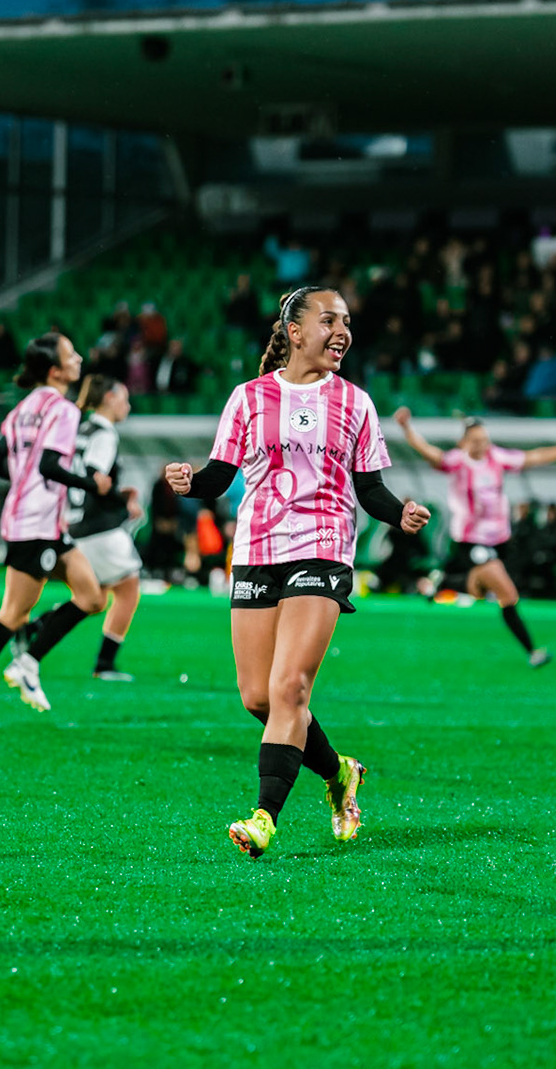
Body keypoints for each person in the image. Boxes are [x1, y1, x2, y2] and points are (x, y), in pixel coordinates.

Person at [164, 285, 430, 859]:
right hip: (257, 549)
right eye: (330, 320)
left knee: (291, 688)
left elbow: (370, 488)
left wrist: (400, 512)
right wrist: (190, 481)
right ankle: (339, 772)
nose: (343, 332)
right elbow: (220, 474)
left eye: (347, 322)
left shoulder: (355, 402)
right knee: (258, 698)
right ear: (294, 331)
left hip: (323, 547)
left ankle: (264, 817)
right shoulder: (248, 397)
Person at [0, 333, 112, 729]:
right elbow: (49, 465)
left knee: (91, 595)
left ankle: (27, 663)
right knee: (13, 614)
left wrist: (24, 479)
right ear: (55, 370)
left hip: (40, 522)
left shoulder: (23, 408)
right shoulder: (63, 410)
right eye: (71, 355)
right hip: (35, 525)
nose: (79, 359)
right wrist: (91, 484)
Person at [391, 408, 556, 666]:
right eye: (476, 441)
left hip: (500, 540)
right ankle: (533, 652)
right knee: (508, 594)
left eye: (485, 440)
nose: (482, 445)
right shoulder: (458, 462)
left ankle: (440, 583)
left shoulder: (497, 457)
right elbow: (429, 452)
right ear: (464, 442)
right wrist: (407, 428)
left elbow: (535, 457)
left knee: (479, 588)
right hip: (472, 541)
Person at [19, 375, 146, 680]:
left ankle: (34, 628)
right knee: (128, 589)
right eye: (124, 398)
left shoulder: (81, 430)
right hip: (100, 527)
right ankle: (104, 664)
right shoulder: (104, 434)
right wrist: (122, 500)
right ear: (109, 398)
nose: (127, 406)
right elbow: (93, 478)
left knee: (94, 597)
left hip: (77, 523)